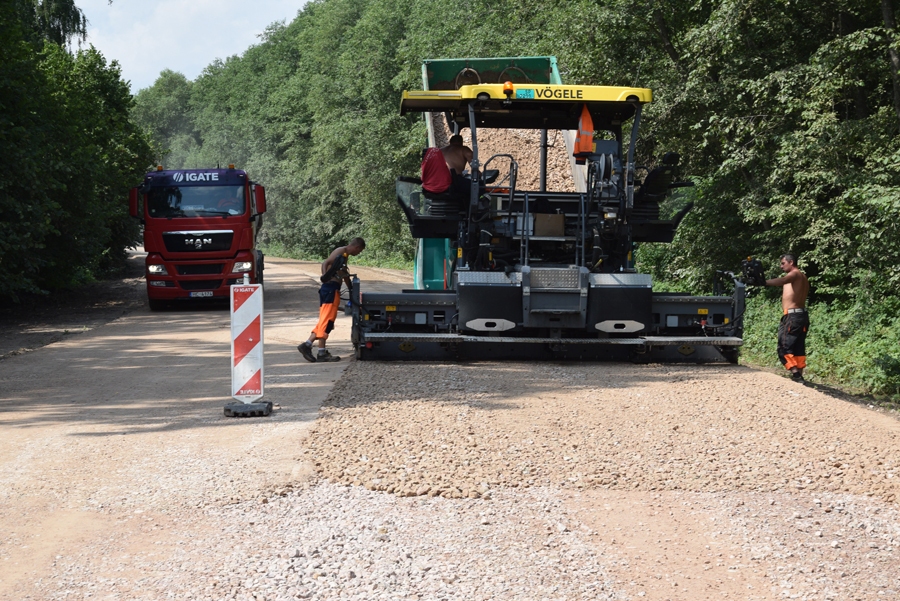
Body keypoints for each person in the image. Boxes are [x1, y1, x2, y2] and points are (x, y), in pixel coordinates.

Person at [297, 237, 365, 363]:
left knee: (325, 320)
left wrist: (350, 288)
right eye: (359, 251)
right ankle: (314, 349)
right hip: (330, 289)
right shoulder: (340, 251)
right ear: (357, 247)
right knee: (327, 321)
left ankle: (313, 348)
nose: (358, 254)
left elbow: (342, 272)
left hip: (332, 289)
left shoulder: (344, 255)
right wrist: (325, 278)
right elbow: (326, 263)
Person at [765, 253, 810, 381]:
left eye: (783, 263)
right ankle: (799, 376)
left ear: (791, 262)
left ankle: (796, 375)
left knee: (783, 347)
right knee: (798, 348)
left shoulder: (795, 274)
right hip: (801, 315)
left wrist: (764, 282)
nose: (781, 266)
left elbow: (784, 280)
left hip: (792, 316)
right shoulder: (803, 277)